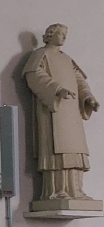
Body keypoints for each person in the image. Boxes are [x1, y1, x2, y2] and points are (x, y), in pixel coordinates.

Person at [23, 23, 100, 202]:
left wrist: (88, 97)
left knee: (75, 150)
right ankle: (57, 190)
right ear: (50, 35)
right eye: (60, 33)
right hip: (53, 110)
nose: (64, 37)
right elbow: (33, 75)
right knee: (57, 151)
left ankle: (76, 191)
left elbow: (79, 81)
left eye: (65, 34)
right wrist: (57, 89)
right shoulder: (40, 55)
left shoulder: (67, 59)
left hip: (71, 112)